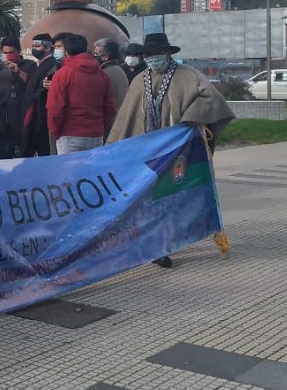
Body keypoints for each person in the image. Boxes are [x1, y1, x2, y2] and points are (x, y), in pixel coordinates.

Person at [107, 32, 236, 268]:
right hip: (146, 156)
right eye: (149, 56)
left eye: (157, 55)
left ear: (168, 54)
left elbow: (212, 101)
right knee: (147, 202)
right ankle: (153, 246)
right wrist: (114, 150)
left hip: (177, 155)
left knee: (170, 201)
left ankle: (163, 245)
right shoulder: (139, 81)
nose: (153, 59)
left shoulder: (188, 77)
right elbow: (127, 117)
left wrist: (190, 119)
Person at [47, 33, 117, 154]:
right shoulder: (101, 74)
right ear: (86, 50)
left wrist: (55, 132)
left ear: (66, 52)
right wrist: (99, 126)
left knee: (71, 172)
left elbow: (55, 107)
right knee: (92, 172)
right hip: (96, 135)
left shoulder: (62, 74)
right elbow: (109, 107)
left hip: (69, 135)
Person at [20, 32, 66, 157]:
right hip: (38, 118)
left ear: (47, 47)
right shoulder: (43, 66)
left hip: (41, 119)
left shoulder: (52, 66)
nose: (34, 49)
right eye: (33, 46)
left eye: (38, 46)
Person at [93, 38, 131, 114]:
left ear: (105, 57)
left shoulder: (106, 73)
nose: (94, 56)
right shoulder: (117, 69)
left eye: (96, 54)